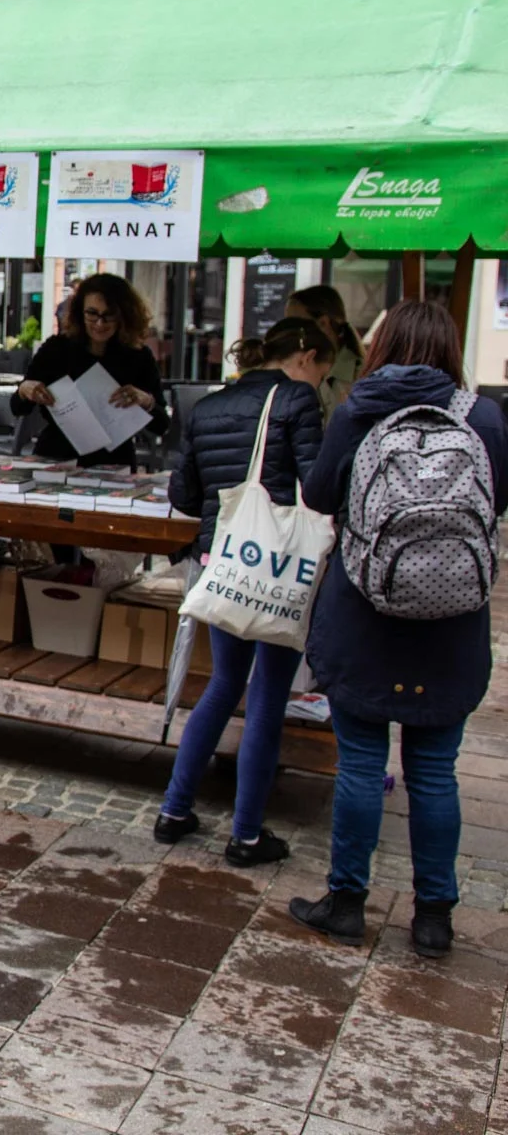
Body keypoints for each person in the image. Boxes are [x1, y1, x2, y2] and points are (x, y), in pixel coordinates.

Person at [290, 301, 508, 958]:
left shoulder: (359, 410)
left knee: (360, 762)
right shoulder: (485, 418)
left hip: (364, 615)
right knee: (436, 772)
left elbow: (320, 495)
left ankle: (347, 902)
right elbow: (497, 501)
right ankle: (434, 916)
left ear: (382, 345)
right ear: (450, 347)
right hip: (453, 624)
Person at [156, 317, 332, 864]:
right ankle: (248, 834)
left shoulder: (209, 406)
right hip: (274, 568)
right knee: (268, 695)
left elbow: (183, 494)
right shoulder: (297, 401)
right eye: (324, 372)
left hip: (220, 562)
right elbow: (319, 485)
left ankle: (174, 808)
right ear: (304, 356)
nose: (321, 383)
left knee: (223, 681)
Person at [12, 273, 168, 466]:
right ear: (80, 312)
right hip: (56, 458)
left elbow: (162, 425)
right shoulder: (57, 348)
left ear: (123, 315)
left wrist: (147, 401)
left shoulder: (138, 355)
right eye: (92, 314)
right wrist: (25, 390)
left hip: (115, 463)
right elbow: (18, 407)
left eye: (108, 315)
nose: (100, 323)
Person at [286, 284, 365, 423]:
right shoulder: (291, 373)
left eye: (295, 324)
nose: (287, 332)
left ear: (323, 323)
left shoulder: (362, 375)